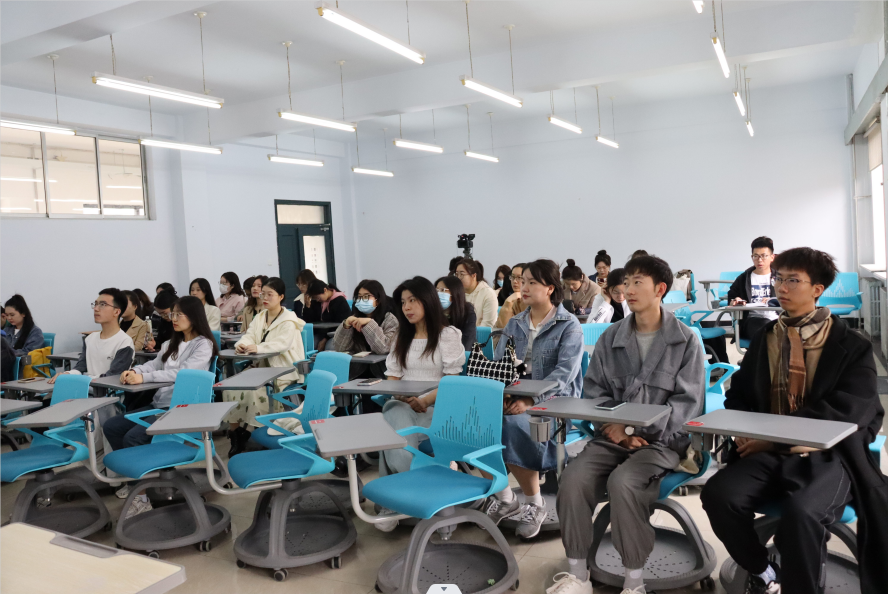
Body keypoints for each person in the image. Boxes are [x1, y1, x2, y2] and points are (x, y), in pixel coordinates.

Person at [701, 247, 888, 594]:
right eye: (778, 279)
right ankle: (763, 570)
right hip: (766, 453)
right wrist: (744, 431)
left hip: (828, 455)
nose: (782, 287)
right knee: (719, 495)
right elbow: (739, 393)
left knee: (802, 513)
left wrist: (774, 438)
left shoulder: (851, 345)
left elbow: (850, 410)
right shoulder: (766, 338)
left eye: (793, 280)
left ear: (817, 289)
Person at [551, 255, 705, 594]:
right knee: (573, 479)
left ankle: (634, 581)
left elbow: (687, 405)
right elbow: (594, 393)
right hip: (612, 437)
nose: (628, 289)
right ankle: (577, 575)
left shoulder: (685, 341)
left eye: (638, 282)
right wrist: (617, 432)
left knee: (624, 482)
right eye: (627, 282)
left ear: (660, 289)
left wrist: (633, 430)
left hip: (663, 443)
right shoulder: (611, 338)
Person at [481, 259, 584, 540]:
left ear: (550, 288)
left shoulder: (569, 325)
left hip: (556, 403)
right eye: (522, 281)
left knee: (511, 426)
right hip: (516, 398)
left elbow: (563, 376)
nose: (523, 287)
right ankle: (505, 497)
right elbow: (501, 366)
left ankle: (534, 502)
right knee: (477, 423)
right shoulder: (514, 323)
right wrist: (504, 395)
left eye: (532, 282)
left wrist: (530, 401)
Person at [103, 296, 217, 514]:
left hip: (183, 409)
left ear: (194, 316)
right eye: (172, 314)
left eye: (179, 314)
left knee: (133, 437)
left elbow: (183, 373)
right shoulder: (170, 344)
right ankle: (139, 479)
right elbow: (153, 364)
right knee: (112, 426)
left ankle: (141, 496)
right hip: (161, 404)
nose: (173, 318)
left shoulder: (203, 344)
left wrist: (144, 378)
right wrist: (134, 371)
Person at [376, 277, 466, 530]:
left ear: (428, 300)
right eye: (403, 302)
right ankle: (424, 490)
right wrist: (403, 397)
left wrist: (424, 400)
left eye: (413, 300)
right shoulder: (401, 337)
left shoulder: (447, 335)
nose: (407, 307)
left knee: (390, 425)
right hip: (403, 404)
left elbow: (451, 380)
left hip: (438, 408)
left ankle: (395, 497)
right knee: (394, 413)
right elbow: (393, 377)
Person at [222, 277, 306, 457]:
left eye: (270, 294)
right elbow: (249, 335)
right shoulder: (260, 317)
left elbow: (282, 344)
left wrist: (258, 348)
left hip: (282, 371)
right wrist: (242, 345)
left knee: (255, 393)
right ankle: (236, 434)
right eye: (263, 294)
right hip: (260, 368)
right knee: (230, 389)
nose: (265, 298)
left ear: (281, 296)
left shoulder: (289, 320)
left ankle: (259, 434)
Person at [50, 288, 135, 383]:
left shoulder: (124, 342)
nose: (96, 309)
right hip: (86, 387)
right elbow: (81, 368)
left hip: (107, 390)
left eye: (103, 304)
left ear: (116, 312)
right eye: (95, 304)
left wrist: (84, 379)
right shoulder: (90, 338)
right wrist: (67, 374)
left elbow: (113, 376)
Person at [727, 236, 777, 341]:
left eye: (764, 256)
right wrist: (735, 301)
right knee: (766, 329)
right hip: (752, 321)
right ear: (752, 257)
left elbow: (791, 298)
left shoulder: (781, 278)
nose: (759, 260)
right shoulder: (743, 278)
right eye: (756, 256)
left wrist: (772, 300)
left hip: (777, 318)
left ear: (772, 257)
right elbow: (731, 297)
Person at [333, 280, 398, 355]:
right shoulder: (354, 319)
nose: (362, 300)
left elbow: (384, 349)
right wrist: (346, 326)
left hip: (382, 362)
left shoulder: (390, 320)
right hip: (357, 362)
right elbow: (340, 348)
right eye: (359, 297)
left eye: (366, 296)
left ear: (378, 300)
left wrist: (369, 323)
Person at [303, 280, 350, 350]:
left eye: (318, 297)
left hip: (336, 333)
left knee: (329, 347)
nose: (317, 300)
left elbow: (341, 324)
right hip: (322, 333)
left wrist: (325, 339)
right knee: (310, 345)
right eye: (315, 298)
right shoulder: (317, 302)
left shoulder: (340, 301)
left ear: (325, 290)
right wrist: (307, 307)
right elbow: (310, 321)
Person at [435, 276, 477, 350]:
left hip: (463, 353)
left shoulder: (467, 312)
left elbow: (467, 341)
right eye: (436, 290)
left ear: (455, 292)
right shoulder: (432, 312)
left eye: (442, 290)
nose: (438, 294)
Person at [455, 258, 498, 328]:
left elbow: (487, 325)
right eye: (457, 274)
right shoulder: (457, 293)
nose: (458, 278)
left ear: (473, 276)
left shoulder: (488, 294)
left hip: (480, 334)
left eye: (462, 274)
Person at [494, 263, 527, 331]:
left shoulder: (532, 302)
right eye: (513, 277)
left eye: (519, 277)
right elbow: (501, 328)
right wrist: (508, 302)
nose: (515, 281)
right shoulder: (512, 300)